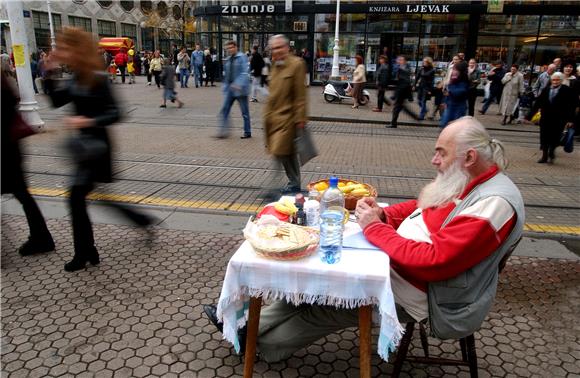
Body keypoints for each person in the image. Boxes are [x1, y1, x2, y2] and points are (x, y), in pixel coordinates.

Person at [204, 117, 524, 363]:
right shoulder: (470, 177)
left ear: (469, 157)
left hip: (433, 295)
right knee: (315, 278)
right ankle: (244, 327)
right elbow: (421, 206)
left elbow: (434, 262)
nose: (434, 160)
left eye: (441, 153)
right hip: (403, 269)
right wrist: (384, 217)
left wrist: (374, 229)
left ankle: (262, 347)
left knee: (326, 301)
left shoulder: (494, 203)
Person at [44, 27, 156, 272]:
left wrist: (87, 121)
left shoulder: (98, 77)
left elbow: (117, 113)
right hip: (83, 150)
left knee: (77, 198)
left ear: (77, 49)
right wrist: (49, 73)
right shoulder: (76, 77)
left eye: (64, 47)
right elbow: (56, 102)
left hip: (98, 149)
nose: (61, 52)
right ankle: (137, 223)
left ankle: (84, 252)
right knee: (90, 197)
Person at [1, 65, 55, 256]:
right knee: (22, 194)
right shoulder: (3, 83)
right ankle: (41, 237)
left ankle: (41, 237)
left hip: (6, 152)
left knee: (22, 194)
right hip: (9, 150)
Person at [263, 34, 307, 195]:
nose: (277, 51)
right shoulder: (275, 65)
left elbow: (301, 94)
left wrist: (301, 119)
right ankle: (294, 183)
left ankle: (272, 187)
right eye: (274, 48)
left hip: (288, 118)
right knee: (286, 153)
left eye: (280, 47)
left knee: (279, 151)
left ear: (287, 48)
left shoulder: (297, 64)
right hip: (273, 118)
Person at [527, 72, 576, 164]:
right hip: (546, 117)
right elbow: (538, 103)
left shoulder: (567, 90)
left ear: (561, 81)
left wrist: (570, 120)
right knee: (544, 137)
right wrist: (529, 115)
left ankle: (552, 151)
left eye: (557, 80)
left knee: (555, 137)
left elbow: (571, 106)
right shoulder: (546, 89)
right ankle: (544, 156)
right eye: (553, 80)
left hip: (559, 119)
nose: (555, 81)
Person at [217, 40, 251, 139]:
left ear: (236, 47)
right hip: (230, 89)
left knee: (245, 112)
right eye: (228, 48)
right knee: (224, 110)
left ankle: (247, 132)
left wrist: (238, 83)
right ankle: (223, 131)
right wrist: (225, 86)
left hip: (240, 90)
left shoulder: (242, 57)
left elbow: (245, 73)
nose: (230, 50)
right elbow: (227, 75)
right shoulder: (228, 59)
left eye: (231, 48)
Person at [388, 56, 418, 128]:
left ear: (404, 61)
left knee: (397, 108)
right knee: (400, 107)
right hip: (400, 92)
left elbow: (405, 82)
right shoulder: (401, 68)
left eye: (400, 60)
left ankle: (393, 123)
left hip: (402, 92)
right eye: (398, 59)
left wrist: (396, 94)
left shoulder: (404, 69)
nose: (398, 61)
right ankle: (414, 117)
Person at [440, 61, 469, 128]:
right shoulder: (453, 80)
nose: (453, 71)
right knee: (444, 124)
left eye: (455, 70)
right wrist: (445, 102)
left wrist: (449, 92)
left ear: (461, 71)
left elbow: (460, 92)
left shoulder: (464, 81)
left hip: (459, 107)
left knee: (454, 126)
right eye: (453, 69)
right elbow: (449, 94)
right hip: (450, 106)